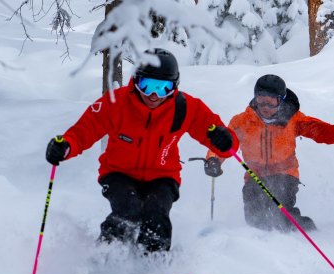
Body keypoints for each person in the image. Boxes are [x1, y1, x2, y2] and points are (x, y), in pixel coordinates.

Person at [45, 48, 239, 253]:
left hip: (163, 176)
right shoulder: (116, 103)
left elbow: (226, 144)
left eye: (163, 88)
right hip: (118, 173)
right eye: (147, 86)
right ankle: (107, 257)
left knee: (156, 214)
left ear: (174, 87)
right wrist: (65, 146)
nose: (154, 95)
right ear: (136, 82)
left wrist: (224, 141)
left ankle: (153, 264)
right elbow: (84, 131)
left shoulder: (186, 107)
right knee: (128, 211)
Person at [204, 74, 334, 232]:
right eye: (261, 99)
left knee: (281, 214)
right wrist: (213, 160)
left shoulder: (292, 119)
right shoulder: (242, 122)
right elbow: (223, 144)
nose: (265, 106)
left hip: (285, 175)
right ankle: (263, 248)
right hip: (254, 178)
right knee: (254, 219)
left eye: (271, 101)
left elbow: (323, 133)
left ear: (281, 100)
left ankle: (309, 233)